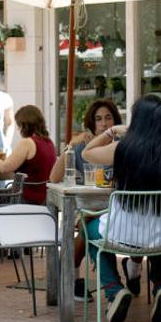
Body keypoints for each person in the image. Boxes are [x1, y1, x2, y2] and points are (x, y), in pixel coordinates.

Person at [81, 95, 161, 322]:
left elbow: (86, 153)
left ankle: (114, 290)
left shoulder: (123, 148)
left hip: (125, 234)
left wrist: (112, 132)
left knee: (88, 229)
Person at [48, 98, 122, 301]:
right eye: (98, 119)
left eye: (108, 118)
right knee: (86, 219)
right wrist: (71, 145)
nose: (104, 124)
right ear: (92, 123)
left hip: (121, 209)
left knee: (86, 222)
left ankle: (73, 276)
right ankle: (115, 283)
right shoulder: (83, 148)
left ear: (116, 120)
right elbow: (54, 177)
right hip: (93, 208)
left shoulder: (123, 146)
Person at [0, 105, 56, 205]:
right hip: (45, 198)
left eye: (18, 125)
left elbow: (4, 167)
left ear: (24, 125)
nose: (18, 129)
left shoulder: (28, 143)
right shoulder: (49, 142)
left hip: (25, 198)